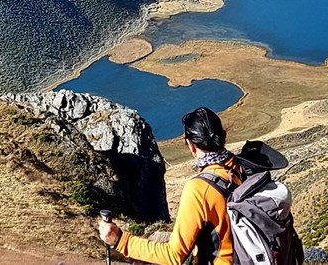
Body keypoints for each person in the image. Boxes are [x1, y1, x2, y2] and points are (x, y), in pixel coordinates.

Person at [96, 107, 242, 265]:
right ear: (223, 136)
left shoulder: (199, 190)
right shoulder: (241, 167)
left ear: (191, 145)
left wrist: (120, 240)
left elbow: (173, 256)